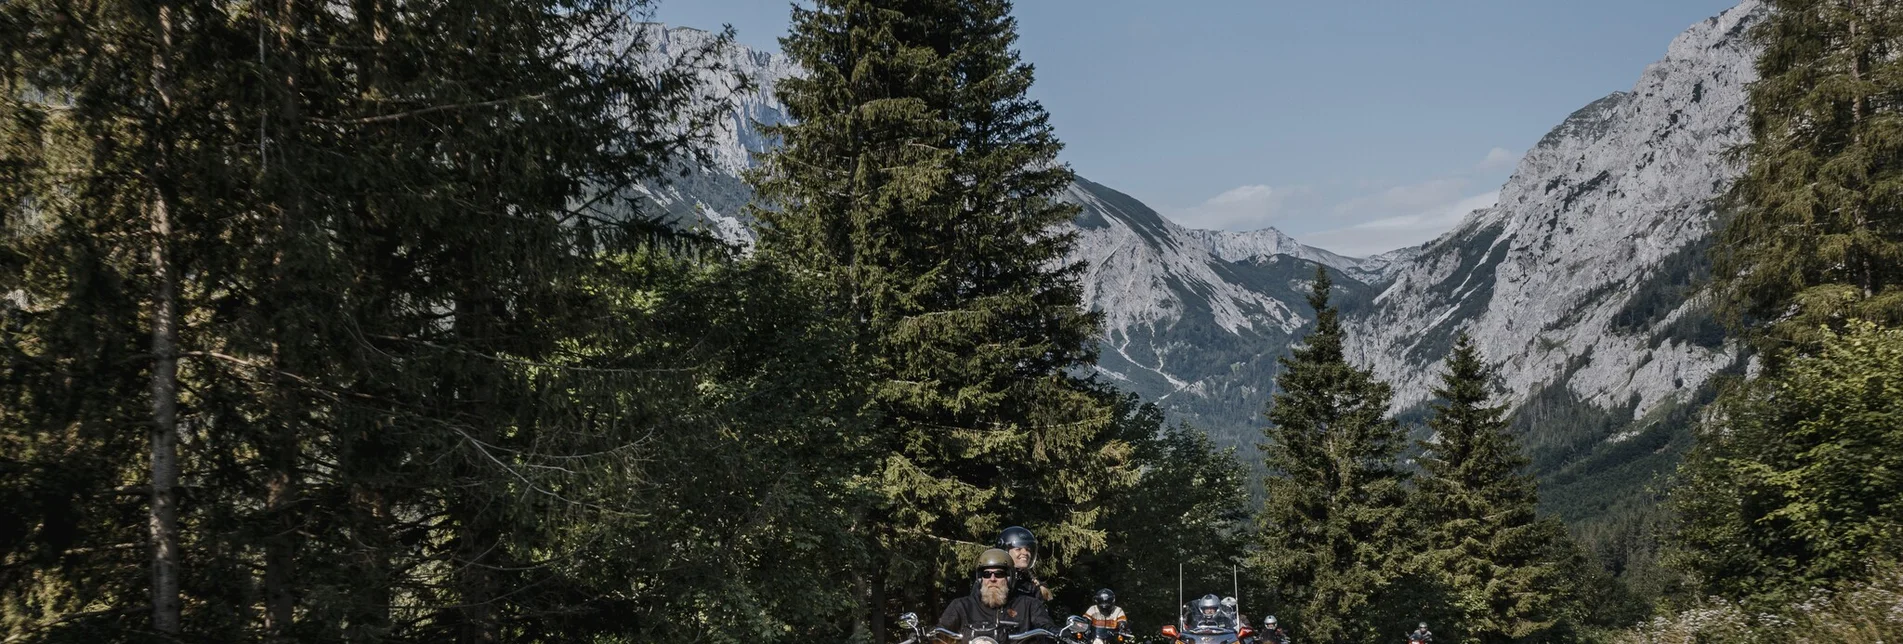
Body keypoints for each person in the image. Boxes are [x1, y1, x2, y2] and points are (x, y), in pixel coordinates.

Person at [937, 548, 1056, 639]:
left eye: (999, 574)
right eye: (987, 574)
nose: (992, 579)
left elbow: (1047, 627)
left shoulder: (1029, 605)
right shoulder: (962, 606)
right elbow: (940, 633)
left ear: (1009, 578)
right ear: (980, 579)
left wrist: (1060, 633)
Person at [997, 526, 1053, 601]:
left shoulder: (1032, 587)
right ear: (1005, 551)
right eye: (1018, 549)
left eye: (1028, 549)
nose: (1025, 553)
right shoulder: (990, 580)